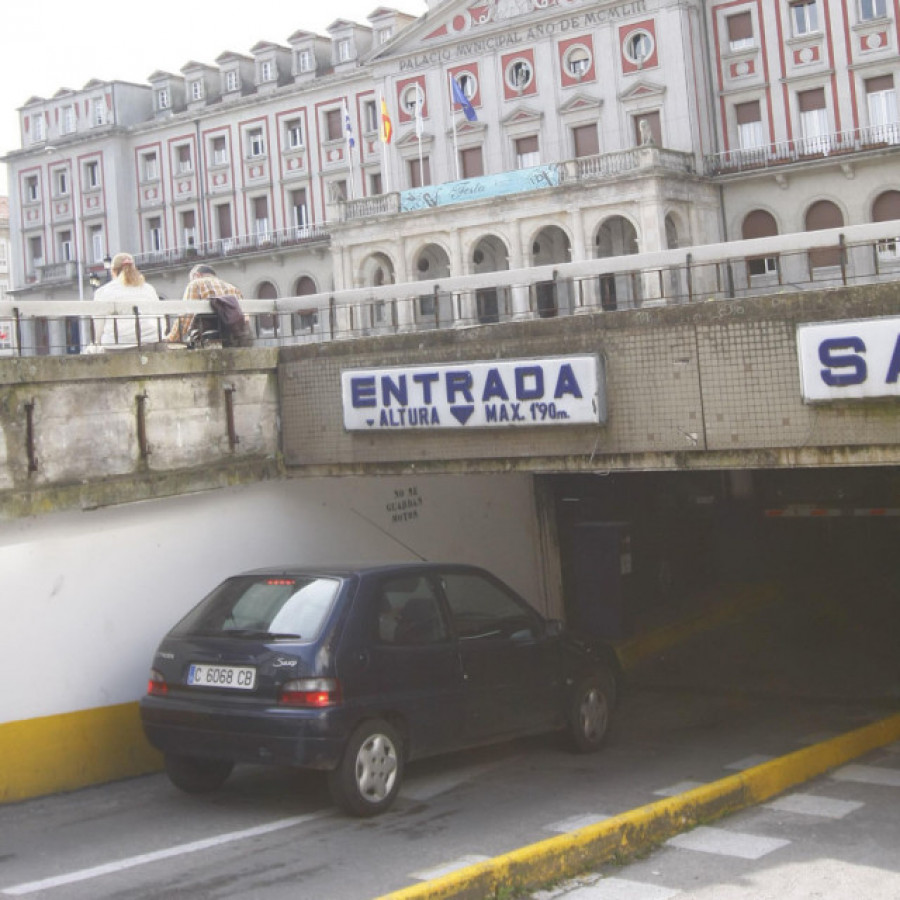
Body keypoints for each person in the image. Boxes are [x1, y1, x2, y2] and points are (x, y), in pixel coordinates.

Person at [90, 253, 165, 351]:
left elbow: (98, 324)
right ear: (134, 268)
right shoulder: (148, 289)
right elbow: (161, 318)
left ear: (113, 271)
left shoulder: (103, 292)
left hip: (117, 346)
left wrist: (98, 341)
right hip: (152, 341)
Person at [166, 264, 249, 346]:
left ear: (196, 275)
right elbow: (245, 316)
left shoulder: (195, 284)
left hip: (208, 338)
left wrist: (171, 338)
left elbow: (186, 316)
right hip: (232, 338)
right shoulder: (233, 288)